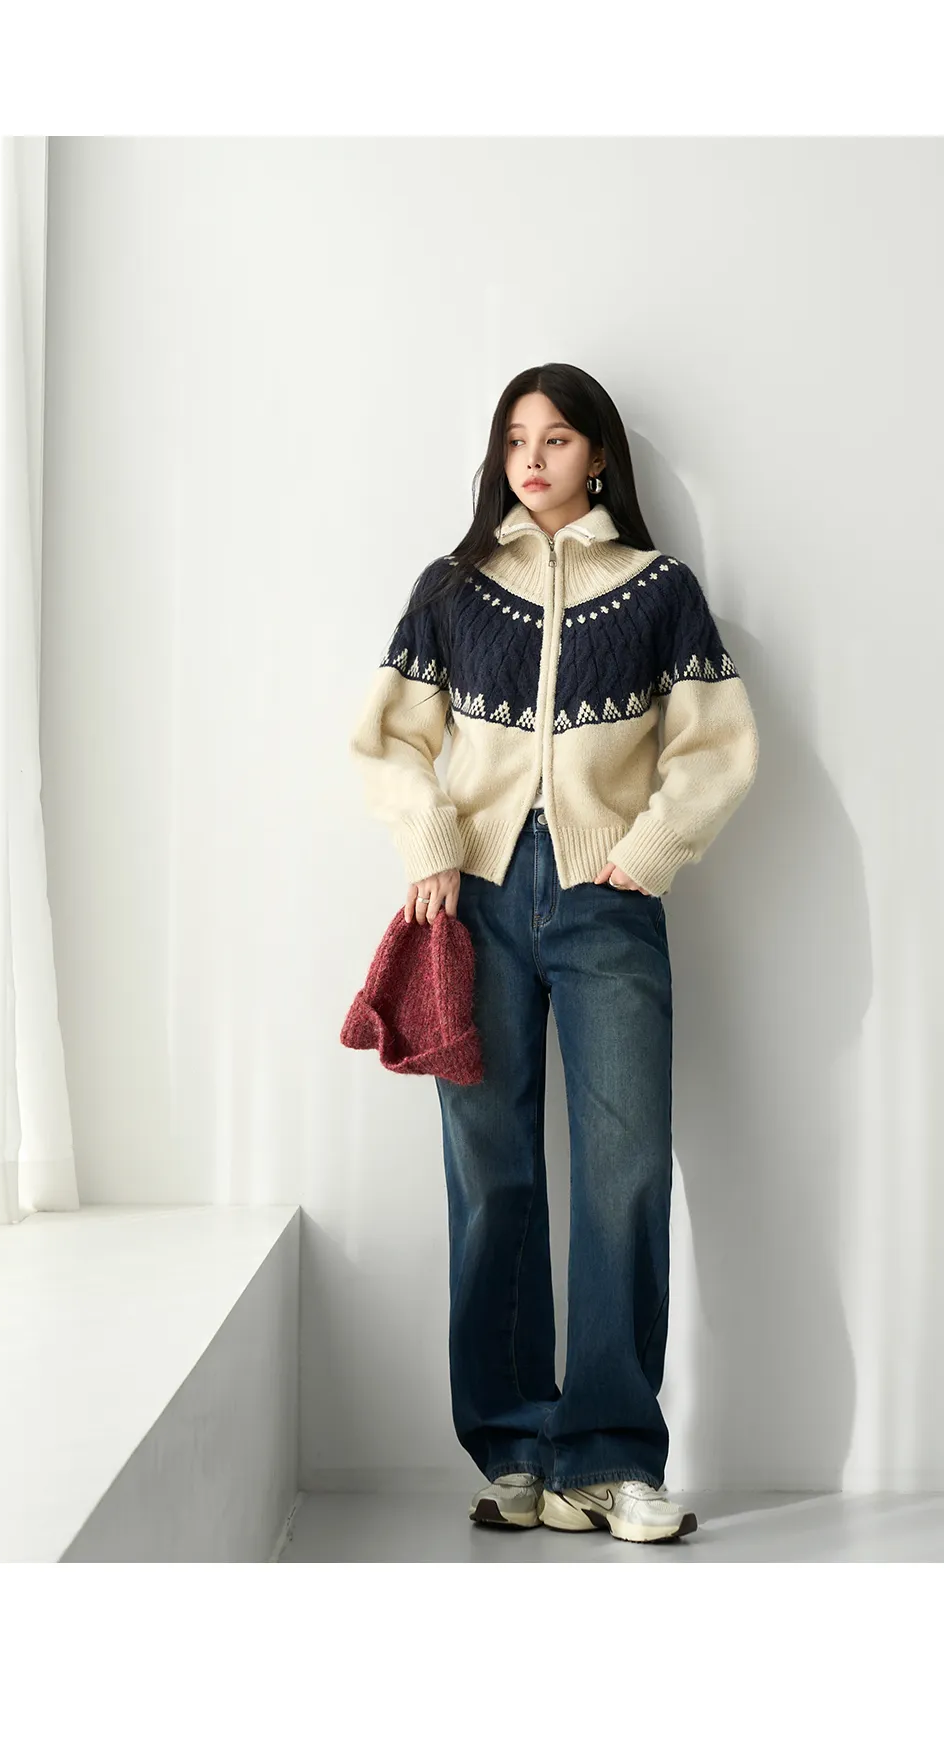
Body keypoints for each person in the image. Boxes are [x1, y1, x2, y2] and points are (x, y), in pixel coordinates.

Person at [348, 362, 759, 1544]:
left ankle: (612, 1460)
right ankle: (515, 1445)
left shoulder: (658, 591)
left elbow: (716, 744)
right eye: (515, 439)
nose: (532, 459)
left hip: (606, 898)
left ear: (599, 456)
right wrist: (431, 839)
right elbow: (385, 739)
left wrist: (648, 851)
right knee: (491, 1177)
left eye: (558, 438)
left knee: (623, 1174)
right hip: (472, 901)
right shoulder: (454, 589)